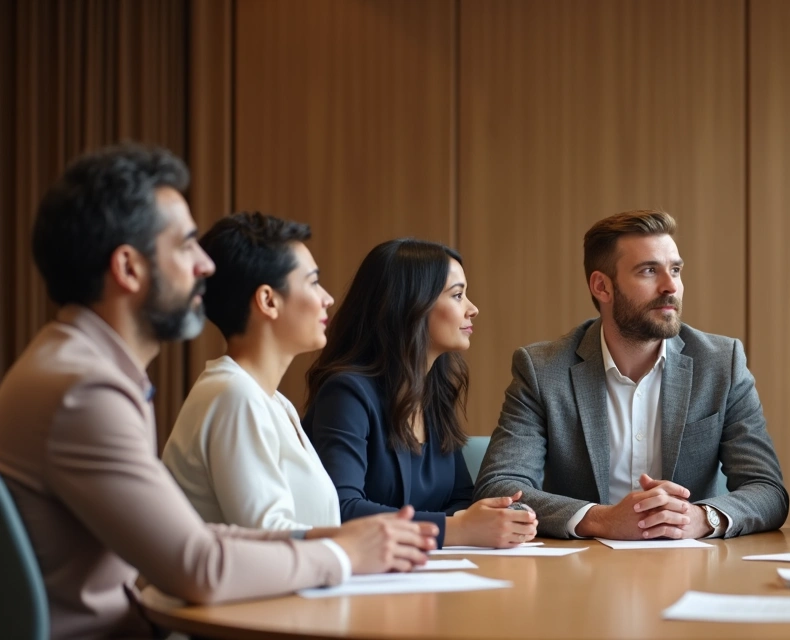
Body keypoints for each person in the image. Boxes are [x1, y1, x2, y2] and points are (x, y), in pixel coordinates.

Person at [0, 144, 436, 639]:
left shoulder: (74, 365)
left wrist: (336, 537)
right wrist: (343, 554)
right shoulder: (85, 390)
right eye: (185, 246)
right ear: (128, 268)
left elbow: (192, 537)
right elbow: (198, 566)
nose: (205, 265)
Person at [474, 209, 788, 540]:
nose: (671, 286)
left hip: (690, 569)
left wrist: (701, 518)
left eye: (676, 270)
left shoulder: (721, 364)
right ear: (602, 286)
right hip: (578, 571)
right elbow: (500, 488)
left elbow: (767, 489)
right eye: (649, 271)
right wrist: (600, 519)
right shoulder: (542, 369)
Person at [304, 238, 537, 549]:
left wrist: (490, 519)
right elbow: (342, 509)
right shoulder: (346, 393)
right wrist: (456, 529)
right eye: (457, 295)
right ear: (410, 305)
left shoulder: (432, 393)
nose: (473, 308)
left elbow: (460, 499)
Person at [162, 212, 342, 530]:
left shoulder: (273, 401)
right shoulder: (234, 395)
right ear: (268, 301)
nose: (327, 298)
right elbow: (266, 534)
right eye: (313, 283)